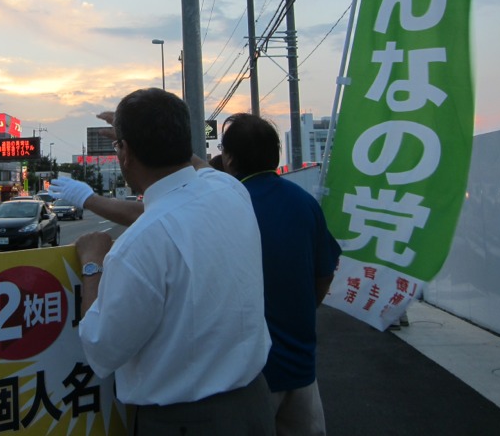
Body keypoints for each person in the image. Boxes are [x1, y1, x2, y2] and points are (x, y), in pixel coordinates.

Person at [51, 88, 274, 436]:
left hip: (184, 421)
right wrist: (147, 131)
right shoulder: (230, 190)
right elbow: (196, 169)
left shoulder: (139, 245)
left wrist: (93, 263)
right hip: (255, 404)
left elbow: (102, 348)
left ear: (125, 153)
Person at [220, 113, 341, 436]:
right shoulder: (305, 203)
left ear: (229, 158)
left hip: (248, 374)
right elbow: (325, 273)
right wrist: (302, 308)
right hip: (301, 368)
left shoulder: (226, 204)